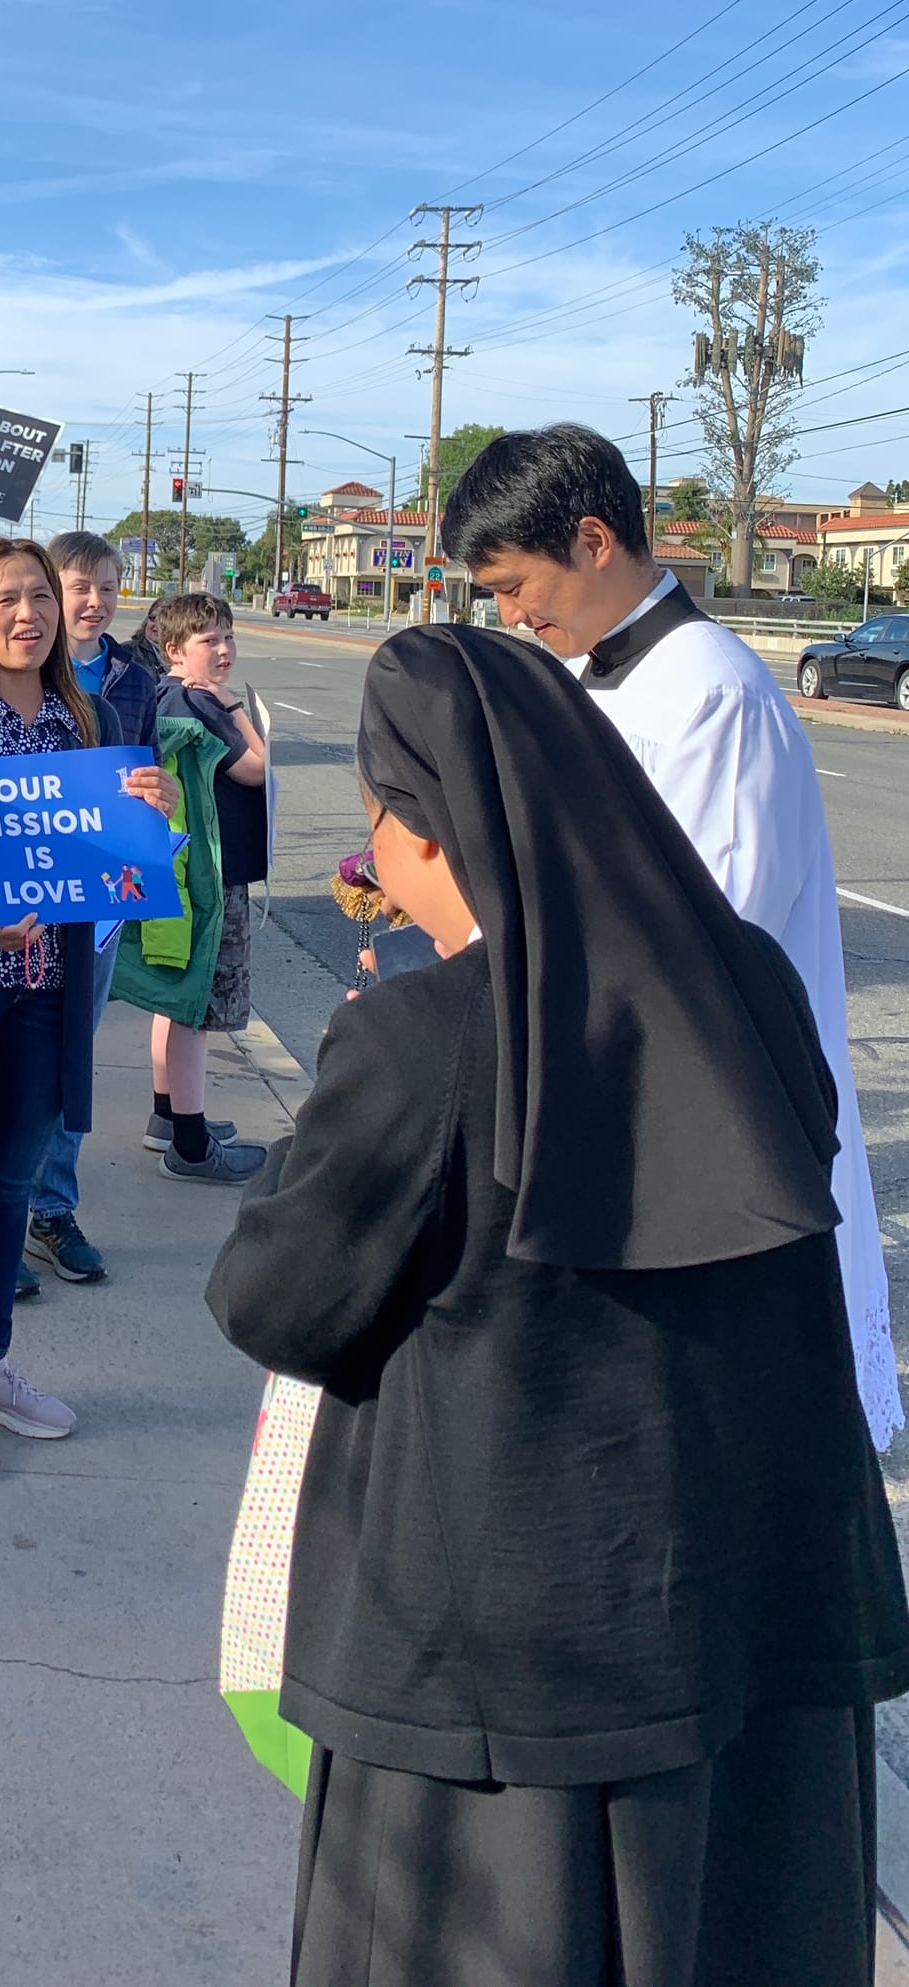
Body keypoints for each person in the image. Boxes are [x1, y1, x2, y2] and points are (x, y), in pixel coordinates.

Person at [210, 625, 909, 1987]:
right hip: (749, 1638)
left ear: (423, 820)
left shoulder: (427, 1033)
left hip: (491, 1685)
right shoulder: (748, 984)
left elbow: (277, 1297)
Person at [441, 421, 901, 1450]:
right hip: (616, 1081)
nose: (509, 615)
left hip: (706, 1095)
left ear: (594, 542)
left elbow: (703, 940)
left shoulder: (710, 693)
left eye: (515, 585)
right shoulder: (575, 678)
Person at [0, 538, 179, 1476]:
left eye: (41, 597)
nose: (29, 614)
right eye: (8, 597)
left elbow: (116, 862)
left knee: (12, 1182)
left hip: (50, 992)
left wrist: (153, 813)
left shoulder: (81, 720)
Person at [17, 531, 159, 1284]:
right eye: (79, 586)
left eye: (108, 586)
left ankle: (52, 1206)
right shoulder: (16, 669)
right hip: (22, 890)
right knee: (7, 1050)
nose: (95, 601)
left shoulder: (136, 677)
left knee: (73, 1053)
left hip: (99, 895)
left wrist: (155, 806)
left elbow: (145, 772)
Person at [141, 591, 272, 1184]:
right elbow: (256, 765)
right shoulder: (202, 703)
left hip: (180, 871)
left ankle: (168, 1114)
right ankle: (190, 1144)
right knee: (197, 1003)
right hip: (211, 877)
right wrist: (235, 705)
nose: (223, 650)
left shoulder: (162, 697)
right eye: (208, 641)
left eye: (228, 636)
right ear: (174, 650)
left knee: (175, 998)